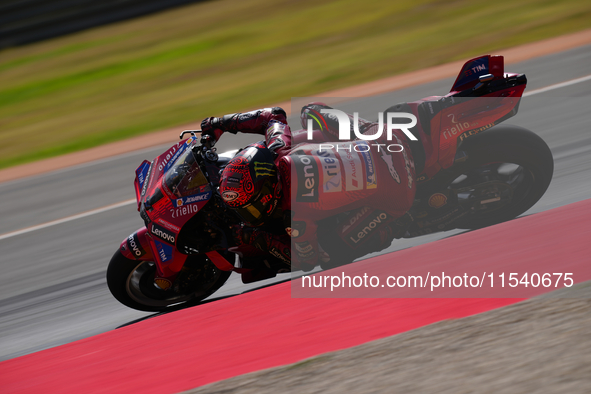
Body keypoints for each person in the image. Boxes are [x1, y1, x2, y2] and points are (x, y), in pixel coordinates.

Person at [200, 103, 417, 272]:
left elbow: (306, 260)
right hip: (386, 138)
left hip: (399, 194)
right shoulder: (278, 147)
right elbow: (274, 115)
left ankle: (396, 227)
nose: (245, 214)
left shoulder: (294, 216)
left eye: (249, 207)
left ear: (267, 193)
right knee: (309, 112)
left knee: (330, 253)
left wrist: (254, 236)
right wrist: (221, 123)